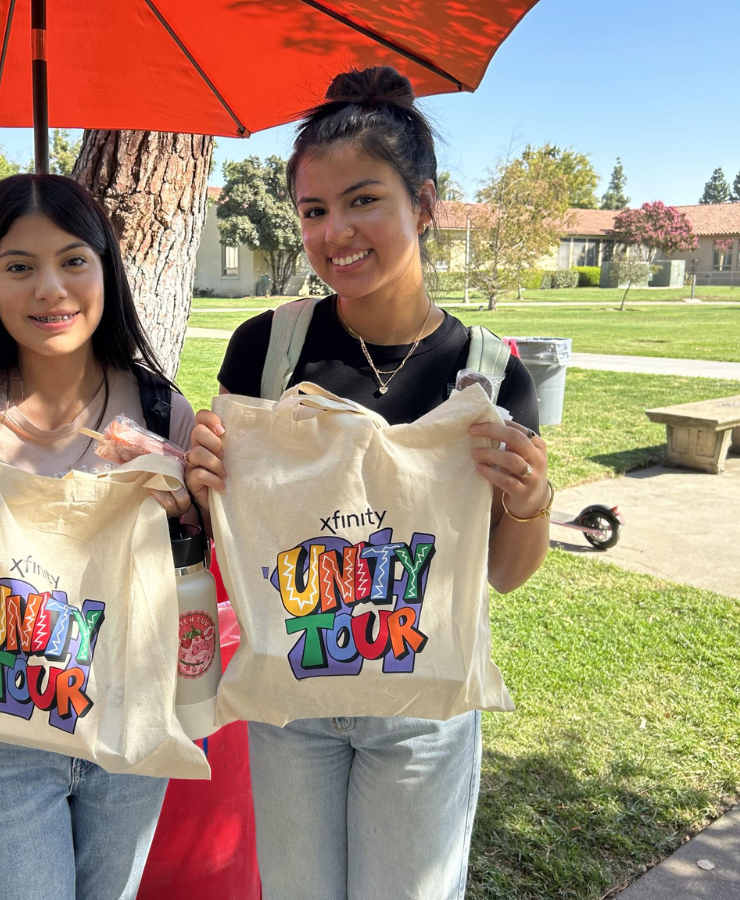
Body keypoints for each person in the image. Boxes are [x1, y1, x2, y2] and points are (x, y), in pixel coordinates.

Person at [183, 67, 551, 899]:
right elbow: (231, 529)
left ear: (424, 203)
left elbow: (505, 570)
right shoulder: (265, 352)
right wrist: (202, 482)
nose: (334, 232)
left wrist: (532, 501)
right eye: (313, 210)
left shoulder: (488, 374)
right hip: (293, 699)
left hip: (422, 708)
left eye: (362, 201)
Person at [0, 174, 198, 898]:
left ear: (106, 268)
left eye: (74, 259)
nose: (51, 288)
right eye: (19, 266)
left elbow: (199, 587)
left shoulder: (157, 408)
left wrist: (190, 509)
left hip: (128, 723)